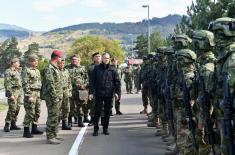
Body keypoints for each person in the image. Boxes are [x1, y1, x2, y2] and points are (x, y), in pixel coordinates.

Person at [89, 53, 121, 136]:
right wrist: (91, 93)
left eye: (107, 58)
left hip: (109, 93)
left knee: (107, 112)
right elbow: (92, 81)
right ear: (102, 59)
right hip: (99, 93)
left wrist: (117, 93)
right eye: (104, 58)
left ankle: (105, 129)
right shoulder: (96, 68)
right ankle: (95, 129)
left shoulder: (113, 69)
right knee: (97, 112)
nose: (106, 59)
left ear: (109, 59)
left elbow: (117, 82)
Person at [42, 50, 64, 144]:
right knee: (52, 116)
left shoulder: (55, 68)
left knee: (56, 116)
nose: (61, 59)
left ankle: (54, 135)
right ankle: (50, 137)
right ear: (56, 57)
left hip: (57, 96)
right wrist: (55, 97)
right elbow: (50, 84)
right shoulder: (49, 68)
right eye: (60, 57)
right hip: (52, 97)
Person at [22, 54, 43, 138]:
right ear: (30, 62)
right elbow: (25, 84)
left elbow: (39, 82)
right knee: (30, 112)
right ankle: (26, 131)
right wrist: (29, 95)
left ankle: (34, 128)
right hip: (31, 93)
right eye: (35, 61)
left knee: (37, 111)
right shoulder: (26, 71)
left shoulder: (37, 71)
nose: (36, 62)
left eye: (37, 60)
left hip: (37, 93)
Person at [66, 55, 88, 127]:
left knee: (80, 106)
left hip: (80, 90)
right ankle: (69, 122)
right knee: (70, 106)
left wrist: (84, 85)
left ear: (78, 60)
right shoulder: (66, 68)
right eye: (73, 59)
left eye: (75, 59)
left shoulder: (82, 68)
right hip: (70, 90)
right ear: (71, 60)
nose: (74, 60)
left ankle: (80, 121)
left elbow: (87, 79)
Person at [3, 57, 22, 132]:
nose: (19, 64)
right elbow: (7, 84)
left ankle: (13, 124)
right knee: (12, 109)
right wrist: (10, 94)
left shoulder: (17, 71)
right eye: (18, 62)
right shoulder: (8, 71)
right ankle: (7, 125)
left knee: (17, 108)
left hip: (18, 92)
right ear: (13, 63)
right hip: (13, 92)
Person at [87, 52, 101, 126]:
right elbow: (87, 78)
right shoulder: (90, 67)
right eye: (96, 56)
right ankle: (92, 120)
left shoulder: (104, 66)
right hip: (93, 89)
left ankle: (103, 120)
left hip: (103, 89)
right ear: (93, 58)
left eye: (99, 56)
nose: (98, 57)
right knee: (92, 105)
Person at [59, 59, 72, 130]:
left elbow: (69, 81)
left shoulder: (66, 71)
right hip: (59, 92)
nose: (62, 64)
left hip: (66, 92)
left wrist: (70, 90)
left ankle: (64, 124)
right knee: (57, 109)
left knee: (66, 108)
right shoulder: (56, 71)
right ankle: (54, 125)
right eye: (61, 63)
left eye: (63, 63)